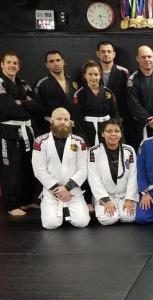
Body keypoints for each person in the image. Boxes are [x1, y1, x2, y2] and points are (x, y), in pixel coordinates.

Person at [31, 107, 90, 229]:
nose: (63, 122)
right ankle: (48, 203)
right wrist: (58, 190)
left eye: (66, 119)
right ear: (51, 121)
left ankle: (67, 208)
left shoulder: (79, 142)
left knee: (82, 222)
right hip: (51, 190)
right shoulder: (40, 142)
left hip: (72, 190)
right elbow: (39, 170)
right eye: (59, 119)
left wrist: (67, 188)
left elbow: (83, 169)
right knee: (50, 224)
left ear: (70, 122)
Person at [0, 51, 38, 215]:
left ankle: (26, 201)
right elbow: (7, 107)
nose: (12, 65)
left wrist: (20, 103)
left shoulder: (23, 83)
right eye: (8, 62)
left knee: (28, 167)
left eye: (15, 63)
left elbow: (37, 105)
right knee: (11, 169)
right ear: (2, 64)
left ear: (19, 66)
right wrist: (25, 105)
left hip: (26, 131)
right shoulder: (1, 83)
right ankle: (11, 205)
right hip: (8, 132)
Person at [87, 119, 138, 225]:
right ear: (102, 133)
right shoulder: (94, 151)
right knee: (109, 219)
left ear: (121, 134)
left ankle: (121, 209)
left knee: (129, 218)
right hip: (106, 194)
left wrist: (130, 198)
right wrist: (106, 200)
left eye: (117, 131)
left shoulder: (129, 150)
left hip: (124, 194)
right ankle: (104, 205)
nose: (113, 134)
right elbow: (93, 178)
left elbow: (133, 176)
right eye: (109, 131)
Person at [126, 45, 153, 149]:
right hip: (140, 126)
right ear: (137, 59)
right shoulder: (132, 80)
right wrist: (148, 119)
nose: (147, 60)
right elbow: (133, 104)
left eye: (149, 56)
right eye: (143, 57)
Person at [72, 60, 119, 147]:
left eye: (96, 74)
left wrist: (114, 133)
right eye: (90, 74)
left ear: (100, 75)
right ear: (85, 76)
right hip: (88, 131)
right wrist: (84, 140)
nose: (93, 77)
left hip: (107, 130)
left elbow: (115, 115)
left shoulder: (108, 93)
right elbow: (78, 121)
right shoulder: (79, 95)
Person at [33, 50, 79, 134]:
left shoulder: (73, 82)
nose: (56, 63)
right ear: (47, 65)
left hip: (72, 128)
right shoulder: (41, 84)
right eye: (51, 61)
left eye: (58, 60)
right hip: (50, 129)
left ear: (63, 62)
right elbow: (37, 110)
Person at [95, 41, 130, 127]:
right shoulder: (92, 72)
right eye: (103, 51)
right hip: (98, 117)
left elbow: (128, 97)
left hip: (119, 118)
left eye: (109, 51)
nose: (106, 54)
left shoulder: (124, 72)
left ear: (114, 54)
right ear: (98, 54)